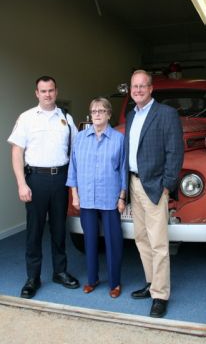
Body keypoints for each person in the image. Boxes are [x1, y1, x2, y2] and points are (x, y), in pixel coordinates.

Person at [7, 76, 80, 299]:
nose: (47, 94)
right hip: (35, 180)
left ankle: (60, 271)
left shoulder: (66, 118)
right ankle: (33, 277)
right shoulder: (27, 118)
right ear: (36, 93)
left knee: (59, 228)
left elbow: (76, 152)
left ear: (56, 92)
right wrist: (21, 183)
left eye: (51, 90)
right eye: (43, 91)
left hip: (60, 179)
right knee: (35, 231)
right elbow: (17, 152)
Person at [125, 70, 184, 318]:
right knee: (141, 239)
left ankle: (160, 295)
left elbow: (175, 151)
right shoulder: (131, 115)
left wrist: (167, 185)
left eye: (142, 86)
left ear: (151, 89)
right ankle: (151, 284)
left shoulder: (166, 114)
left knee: (159, 242)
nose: (138, 90)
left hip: (155, 185)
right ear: (130, 90)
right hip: (134, 184)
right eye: (134, 86)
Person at [66, 97, 126, 298]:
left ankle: (115, 283)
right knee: (89, 241)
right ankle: (92, 279)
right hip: (87, 199)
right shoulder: (81, 138)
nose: (97, 114)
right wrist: (75, 195)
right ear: (90, 115)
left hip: (110, 198)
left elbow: (123, 170)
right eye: (94, 111)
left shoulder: (118, 139)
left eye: (101, 111)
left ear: (109, 114)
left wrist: (122, 197)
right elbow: (72, 168)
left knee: (113, 241)